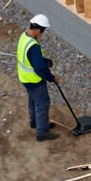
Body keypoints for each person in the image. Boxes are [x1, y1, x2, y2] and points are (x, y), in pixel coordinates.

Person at [17, 14, 61, 142]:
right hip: (34, 80)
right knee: (42, 103)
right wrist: (52, 78)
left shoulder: (24, 36)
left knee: (33, 100)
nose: (42, 34)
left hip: (24, 77)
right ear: (37, 30)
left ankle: (35, 122)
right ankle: (42, 132)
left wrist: (47, 62)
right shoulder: (34, 46)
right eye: (43, 31)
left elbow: (32, 60)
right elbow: (39, 69)